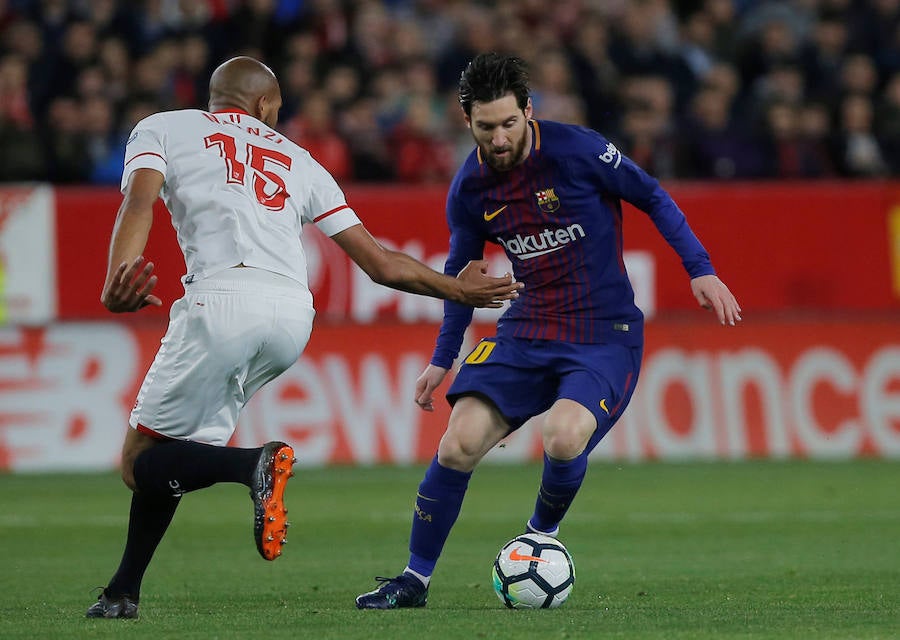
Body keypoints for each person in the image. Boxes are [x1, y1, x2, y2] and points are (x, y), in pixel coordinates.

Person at [86, 55, 522, 619]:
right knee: (174, 454)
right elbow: (381, 264)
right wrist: (458, 291)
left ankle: (254, 467)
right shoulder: (300, 160)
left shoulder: (164, 126)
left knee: (139, 462)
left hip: (220, 300)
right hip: (293, 315)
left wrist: (117, 275)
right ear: (265, 106)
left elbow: (139, 201)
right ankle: (124, 591)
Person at [355, 52, 742, 609]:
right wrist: (443, 357)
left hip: (604, 332)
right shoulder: (469, 189)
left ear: (528, 112)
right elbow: (461, 280)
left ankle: (538, 540)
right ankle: (413, 581)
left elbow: (652, 195)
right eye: (486, 128)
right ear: (467, 121)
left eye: (509, 123)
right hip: (527, 327)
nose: (499, 138)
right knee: (458, 442)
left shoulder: (580, 151)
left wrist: (700, 269)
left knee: (562, 435)